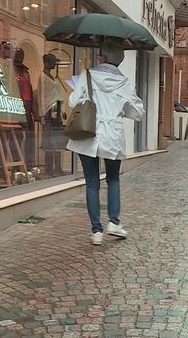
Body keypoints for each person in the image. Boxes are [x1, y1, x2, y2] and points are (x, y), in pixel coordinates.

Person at [67, 42, 145, 245]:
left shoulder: (87, 75)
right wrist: (120, 109)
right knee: (113, 180)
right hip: (112, 134)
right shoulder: (124, 82)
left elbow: (74, 102)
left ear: (102, 57)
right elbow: (138, 112)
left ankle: (96, 232)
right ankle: (114, 222)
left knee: (92, 182)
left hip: (88, 132)